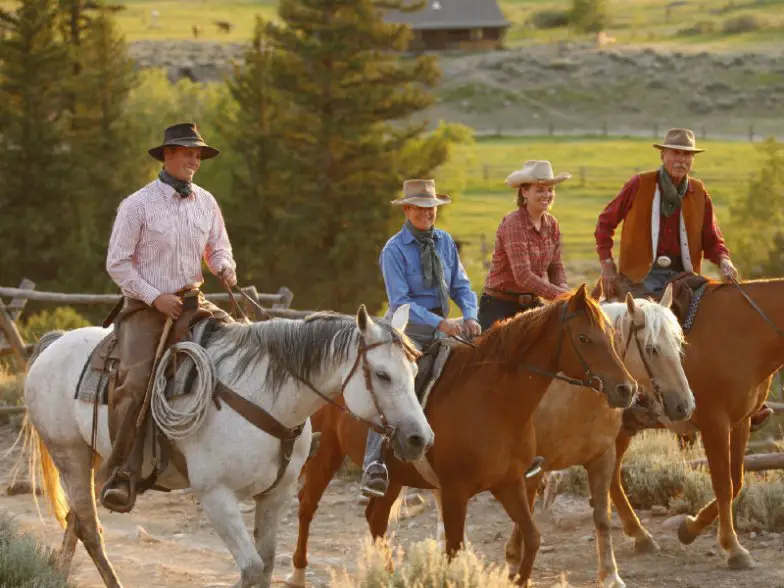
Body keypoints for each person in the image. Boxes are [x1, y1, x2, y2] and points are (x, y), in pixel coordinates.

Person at [594, 127, 773, 430]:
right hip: (640, 277)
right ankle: (638, 405)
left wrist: (724, 260)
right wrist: (607, 264)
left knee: (719, 315)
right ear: (663, 155)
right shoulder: (640, 184)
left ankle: (741, 399)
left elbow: (713, 239)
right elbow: (605, 223)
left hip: (684, 276)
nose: (681, 160)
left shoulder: (698, 192)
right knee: (640, 329)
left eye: (687, 155)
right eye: (676, 153)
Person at [99, 123, 238, 512]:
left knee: (241, 350)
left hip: (193, 302)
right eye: (189, 153)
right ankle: (122, 472)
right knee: (137, 382)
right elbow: (117, 263)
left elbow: (218, 248)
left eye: (198, 155)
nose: (195, 160)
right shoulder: (137, 205)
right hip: (146, 309)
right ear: (168, 154)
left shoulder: (206, 202)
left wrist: (224, 266)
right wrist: (154, 297)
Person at [359, 179, 480, 498]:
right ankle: (374, 464)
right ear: (407, 210)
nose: (427, 213)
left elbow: (461, 286)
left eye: (431, 208)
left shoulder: (445, 242)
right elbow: (401, 302)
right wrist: (441, 323)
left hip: (446, 327)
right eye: (420, 208)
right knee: (393, 386)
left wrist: (470, 315)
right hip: (406, 329)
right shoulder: (393, 250)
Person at [478, 160, 571, 331]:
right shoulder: (514, 223)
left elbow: (556, 266)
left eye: (550, 190)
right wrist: (561, 295)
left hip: (533, 304)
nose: (547, 195)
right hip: (500, 306)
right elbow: (523, 276)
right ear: (524, 192)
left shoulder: (552, 224)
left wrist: (564, 290)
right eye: (540, 190)